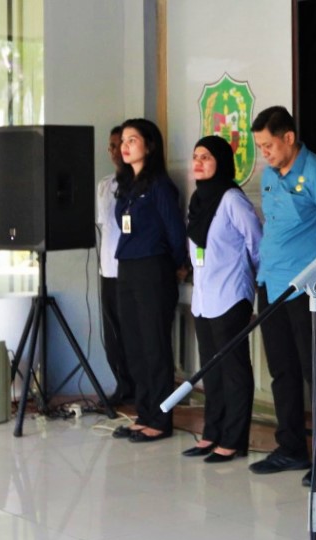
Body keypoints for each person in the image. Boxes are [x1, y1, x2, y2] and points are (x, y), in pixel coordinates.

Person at [247, 106, 316, 486]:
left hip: (310, 291)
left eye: (268, 145)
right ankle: (290, 447)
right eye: (259, 147)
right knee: (281, 371)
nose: (265, 154)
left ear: (289, 137)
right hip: (272, 285)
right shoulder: (271, 176)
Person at [180, 135, 262, 463]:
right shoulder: (199, 200)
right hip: (203, 298)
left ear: (222, 163)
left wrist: (251, 282)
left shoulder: (231, 199)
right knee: (211, 371)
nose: (198, 162)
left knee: (234, 370)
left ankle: (234, 439)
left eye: (207, 157)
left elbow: (256, 242)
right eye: (195, 156)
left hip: (230, 295)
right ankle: (211, 432)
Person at [111, 118, 187, 443]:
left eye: (133, 140)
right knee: (135, 344)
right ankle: (143, 413)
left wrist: (180, 264)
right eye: (123, 141)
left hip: (153, 268)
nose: (125, 146)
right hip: (127, 267)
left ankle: (160, 419)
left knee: (155, 344)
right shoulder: (126, 185)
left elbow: (174, 230)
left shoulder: (159, 185)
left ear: (150, 145)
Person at [95, 125, 135, 407]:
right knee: (112, 333)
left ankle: (139, 387)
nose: (114, 152)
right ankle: (122, 385)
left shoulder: (141, 183)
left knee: (132, 331)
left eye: (118, 145)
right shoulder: (104, 185)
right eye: (110, 146)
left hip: (131, 269)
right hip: (107, 268)